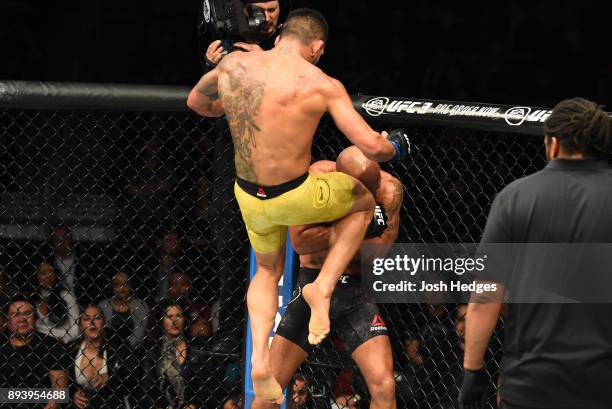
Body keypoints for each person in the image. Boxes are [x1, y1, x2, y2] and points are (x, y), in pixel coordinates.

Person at [188, 9, 409, 402]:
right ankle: (322, 288)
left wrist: (237, 102)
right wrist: (397, 145)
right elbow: (373, 147)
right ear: (318, 47)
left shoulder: (236, 64)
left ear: (279, 37)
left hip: (247, 195)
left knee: (267, 271)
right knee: (360, 203)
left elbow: (198, 103)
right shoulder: (321, 83)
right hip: (291, 193)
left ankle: (258, 357)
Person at [458, 97, 612, 409]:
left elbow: (486, 294)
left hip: (531, 380)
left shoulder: (515, 197)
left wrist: (472, 371)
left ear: (553, 143)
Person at [252, 146, 404, 409]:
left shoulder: (389, 189)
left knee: (385, 386)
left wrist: (347, 229)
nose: (366, 198)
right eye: (357, 191)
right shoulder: (314, 182)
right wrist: (355, 226)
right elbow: (300, 242)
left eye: (370, 191)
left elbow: (378, 252)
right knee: (271, 391)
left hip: (355, 294)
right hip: (312, 286)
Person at [0, 295, 70, 409]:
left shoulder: (51, 345)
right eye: (15, 314)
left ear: (35, 318)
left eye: (27, 313)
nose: (22, 319)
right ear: (7, 320)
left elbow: (60, 393)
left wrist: (5, 395)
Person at [69, 305, 138, 409]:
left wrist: (110, 378)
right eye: (86, 319)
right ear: (80, 324)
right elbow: (59, 388)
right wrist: (72, 395)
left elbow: (135, 380)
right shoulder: (71, 350)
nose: (92, 323)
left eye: (97, 318)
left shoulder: (119, 346)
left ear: (104, 322)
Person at [141, 300, 199, 409]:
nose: (174, 321)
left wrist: (194, 405)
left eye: (178, 316)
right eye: (169, 316)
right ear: (161, 321)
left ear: (184, 319)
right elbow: (146, 389)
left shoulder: (195, 348)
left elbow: (204, 386)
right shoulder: (152, 351)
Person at [98, 271, 149, 348]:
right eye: (118, 284)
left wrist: (124, 348)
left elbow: (139, 334)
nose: (122, 287)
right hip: (107, 348)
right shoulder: (103, 306)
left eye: (126, 283)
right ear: (112, 287)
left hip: (133, 350)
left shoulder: (140, 305)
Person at [32, 262, 80, 344]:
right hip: (38, 343)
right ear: (36, 276)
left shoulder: (66, 297)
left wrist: (65, 340)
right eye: (43, 273)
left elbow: (75, 328)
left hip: (62, 343)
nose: (48, 276)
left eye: (51, 272)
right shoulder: (31, 299)